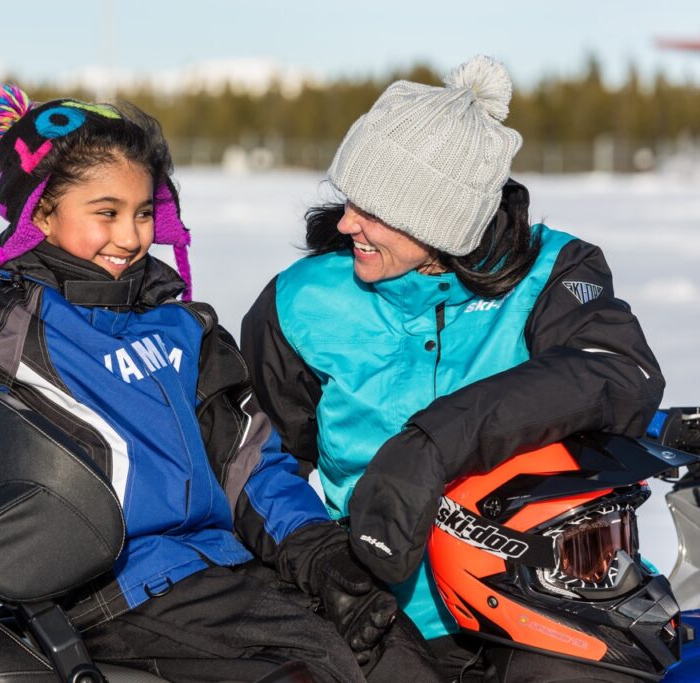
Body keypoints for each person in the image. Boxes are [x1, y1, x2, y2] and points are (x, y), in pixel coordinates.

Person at [0, 85, 397, 683]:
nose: (130, 237)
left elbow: (249, 465)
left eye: (143, 212)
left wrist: (318, 553)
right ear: (41, 212)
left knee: (400, 654)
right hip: (110, 598)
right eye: (106, 213)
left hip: (225, 578)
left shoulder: (181, 328)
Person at [240, 56, 666, 682]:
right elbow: (255, 459)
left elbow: (616, 371)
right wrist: (320, 558)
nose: (346, 222)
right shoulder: (299, 302)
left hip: (545, 603)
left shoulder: (552, 274)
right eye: (350, 198)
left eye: (374, 209)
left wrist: (433, 444)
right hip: (379, 612)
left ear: (442, 223)